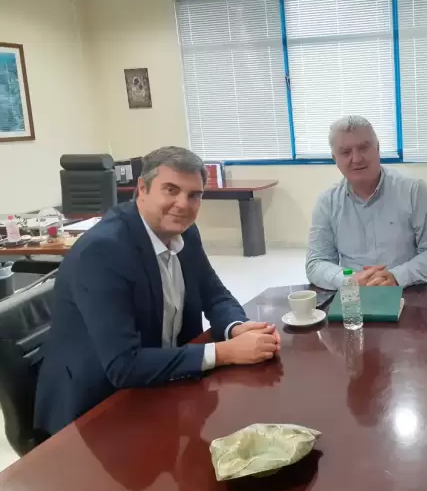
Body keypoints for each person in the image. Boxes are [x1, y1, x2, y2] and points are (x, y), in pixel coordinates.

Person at [34, 146, 281, 436]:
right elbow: (124, 366)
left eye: (194, 195)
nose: (182, 204)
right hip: (96, 411)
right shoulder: (103, 251)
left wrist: (235, 327)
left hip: (161, 383)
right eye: (171, 190)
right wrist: (224, 352)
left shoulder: (184, 232)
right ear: (142, 188)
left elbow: (214, 294)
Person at [306, 115, 427, 290]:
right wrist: (350, 279)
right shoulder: (327, 202)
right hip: (354, 295)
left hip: (409, 290)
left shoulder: (414, 191)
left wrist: (396, 276)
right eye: (345, 152)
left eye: (363, 147)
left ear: (378, 149)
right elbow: (316, 263)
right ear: (335, 159)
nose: (356, 158)